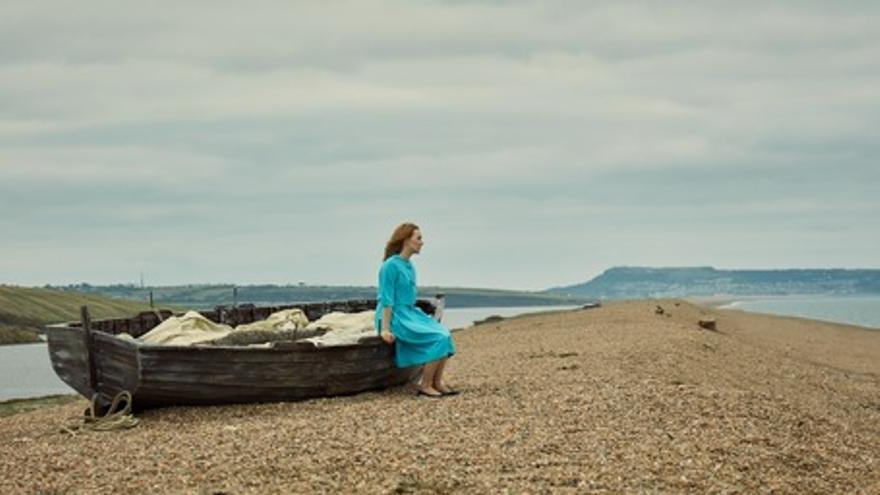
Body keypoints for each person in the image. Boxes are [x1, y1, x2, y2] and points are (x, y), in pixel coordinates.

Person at [375, 222, 457, 398]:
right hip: (395, 316)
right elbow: (386, 300)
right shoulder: (390, 266)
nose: (422, 242)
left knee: (445, 335)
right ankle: (425, 384)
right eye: (418, 238)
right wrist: (385, 329)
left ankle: (437, 382)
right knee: (438, 337)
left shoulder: (409, 265)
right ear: (406, 240)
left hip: (410, 312)